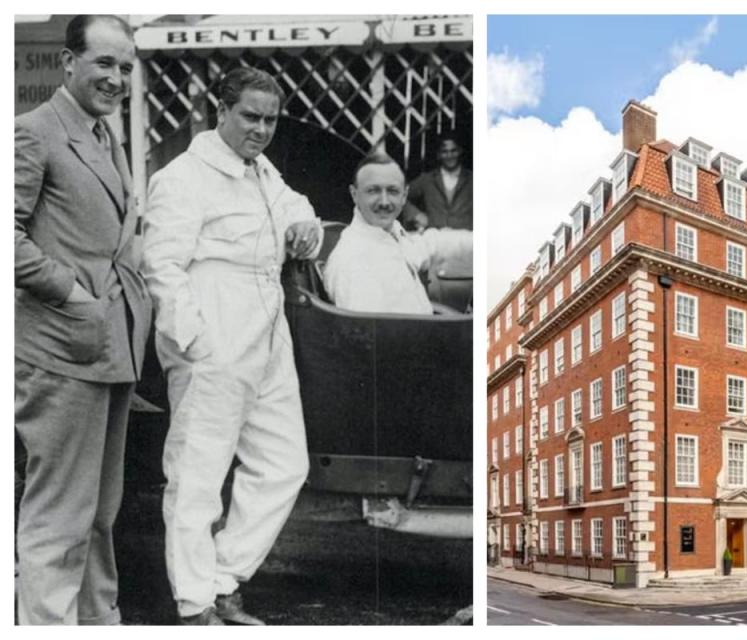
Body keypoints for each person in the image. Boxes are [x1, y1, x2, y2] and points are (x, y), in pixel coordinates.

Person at [142, 67, 321, 625]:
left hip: (267, 333)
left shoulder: (260, 169)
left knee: (284, 462)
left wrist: (306, 228)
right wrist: (194, 340)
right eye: (250, 116)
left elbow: (295, 207)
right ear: (220, 112)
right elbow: (161, 265)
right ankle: (195, 605)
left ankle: (221, 579)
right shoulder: (184, 177)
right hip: (215, 324)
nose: (262, 129)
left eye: (270, 119)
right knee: (198, 471)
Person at [14, 15, 152, 625]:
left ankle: (99, 624)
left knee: (99, 513)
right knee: (58, 518)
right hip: (61, 349)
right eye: (104, 64)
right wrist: (71, 291)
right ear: (69, 63)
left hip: (108, 347)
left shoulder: (104, 136)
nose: (117, 78)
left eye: (125, 67)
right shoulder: (34, 132)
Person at [323, 153, 472, 315]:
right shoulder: (353, 261)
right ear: (354, 194)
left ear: (404, 196)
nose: (384, 202)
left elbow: (428, 244)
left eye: (393, 191)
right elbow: (372, 333)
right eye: (373, 191)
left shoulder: (389, 235)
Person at [402, 134, 473, 231]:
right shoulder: (427, 179)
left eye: (453, 151)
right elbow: (400, 196)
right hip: (435, 238)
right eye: (444, 152)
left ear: (460, 151)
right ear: (438, 155)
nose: (449, 156)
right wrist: (415, 214)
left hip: (466, 239)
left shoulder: (473, 179)